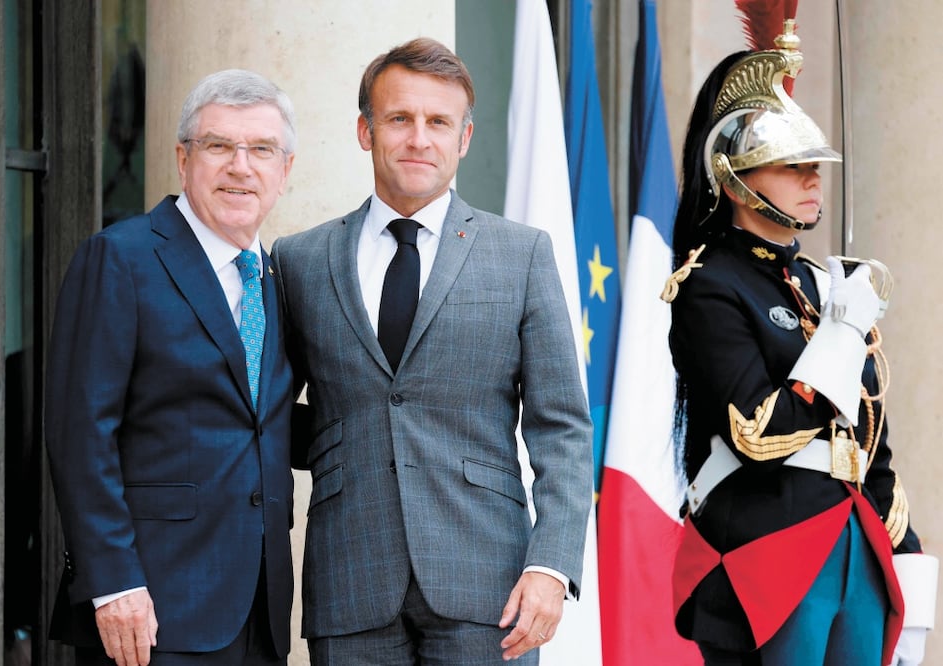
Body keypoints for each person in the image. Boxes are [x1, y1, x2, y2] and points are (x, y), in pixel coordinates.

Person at [273, 37, 592, 665]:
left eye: (438, 122)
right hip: (351, 577)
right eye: (400, 119)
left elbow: (563, 429)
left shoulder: (522, 254)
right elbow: (273, 416)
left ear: (464, 138)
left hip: (491, 586)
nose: (419, 138)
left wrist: (552, 566)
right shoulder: (299, 260)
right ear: (365, 131)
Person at [663, 22, 937, 665]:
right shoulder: (708, 285)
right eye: (792, 167)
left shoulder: (822, 285)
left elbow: (872, 438)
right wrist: (839, 345)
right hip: (767, 551)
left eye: (814, 166)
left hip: (854, 550)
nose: (813, 180)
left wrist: (904, 554)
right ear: (733, 180)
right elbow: (756, 430)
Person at [45, 69, 298, 666]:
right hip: (149, 608)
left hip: (259, 610)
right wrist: (113, 583)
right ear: (183, 159)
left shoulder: (276, 277)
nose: (241, 166)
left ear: (284, 171)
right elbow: (81, 432)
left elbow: (268, 421)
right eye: (219, 146)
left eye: (261, 149)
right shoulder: (120, 258)